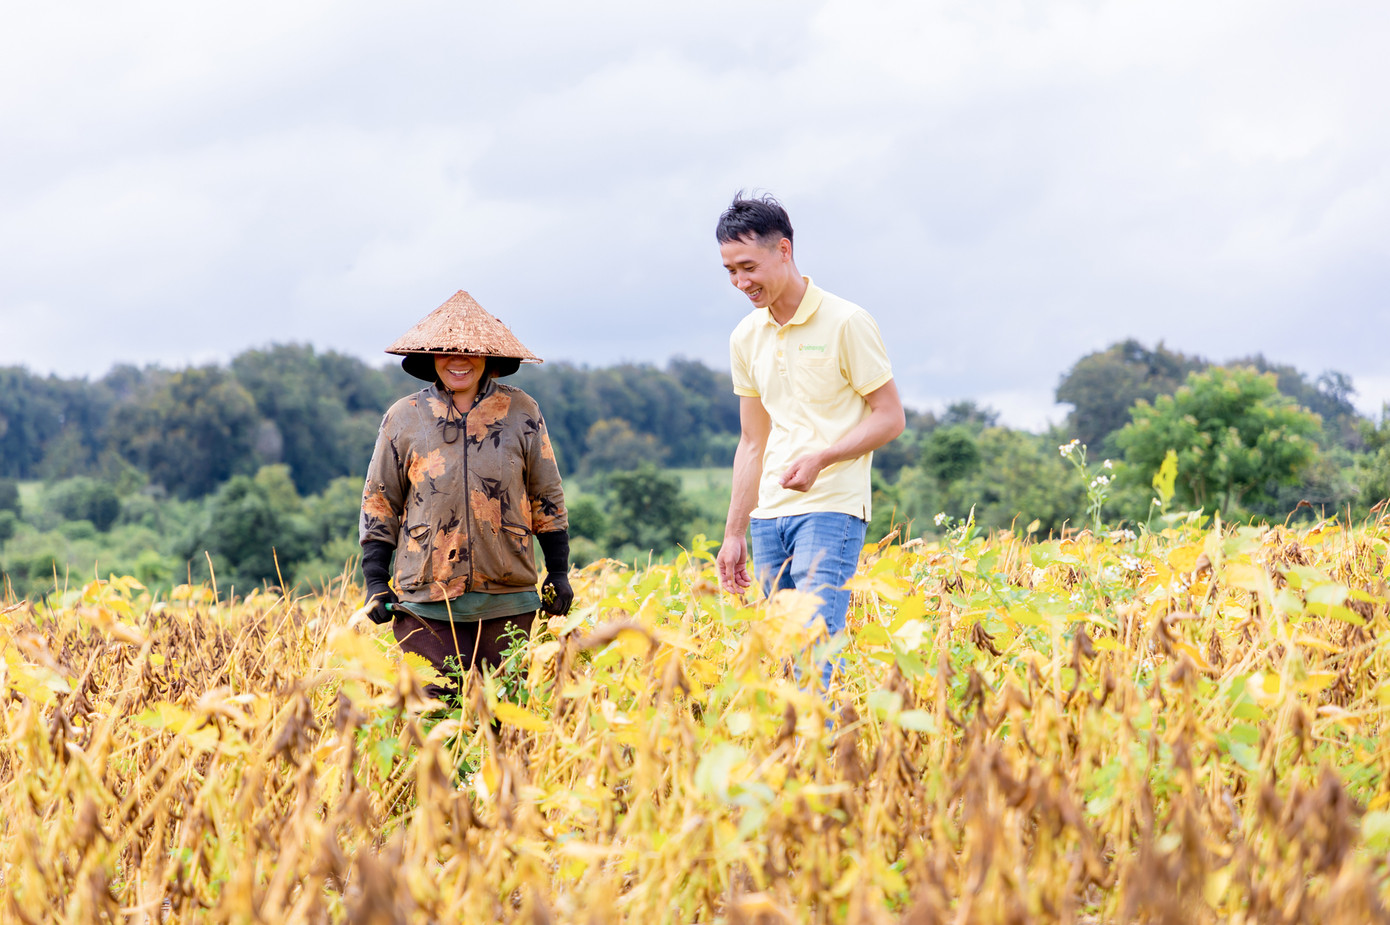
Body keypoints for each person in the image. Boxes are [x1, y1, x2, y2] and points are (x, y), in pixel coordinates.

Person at [714, 194, 905, 688]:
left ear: (784, 250)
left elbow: (889, 418)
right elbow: (752, 442)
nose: (741, 282)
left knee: (819, 641)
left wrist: (824, 456)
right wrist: (735, 531)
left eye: (748, 266)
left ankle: (828, 759)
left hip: (831, 506)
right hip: (768, 517)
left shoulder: (846, 322)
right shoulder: (745, 337)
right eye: (730, 271)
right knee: (783, 648)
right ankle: (795, 760)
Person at [359, 290, 572, 701]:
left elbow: (546, 494)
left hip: (508, 602)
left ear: (489, 356)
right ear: (432, 357)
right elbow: (380, 500)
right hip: (425, 602)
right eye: (446, 351)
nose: (459, 360)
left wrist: (558, 571)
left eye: (470, 351)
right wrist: (374, 581)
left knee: (504, 724)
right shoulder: (404, 416)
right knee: (432, 723)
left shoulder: (521, 411)